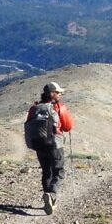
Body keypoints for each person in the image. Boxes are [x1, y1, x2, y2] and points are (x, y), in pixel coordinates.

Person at [25, 81, 75, 214]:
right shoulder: (58, 107)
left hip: (39, 144)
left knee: (46, 171)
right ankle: (52, 195)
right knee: (59, 171)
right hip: (55, 143)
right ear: (52, 94)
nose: (60, 94)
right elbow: (68, 126)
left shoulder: (34, 108)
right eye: (58, 92)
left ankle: (48, 198)